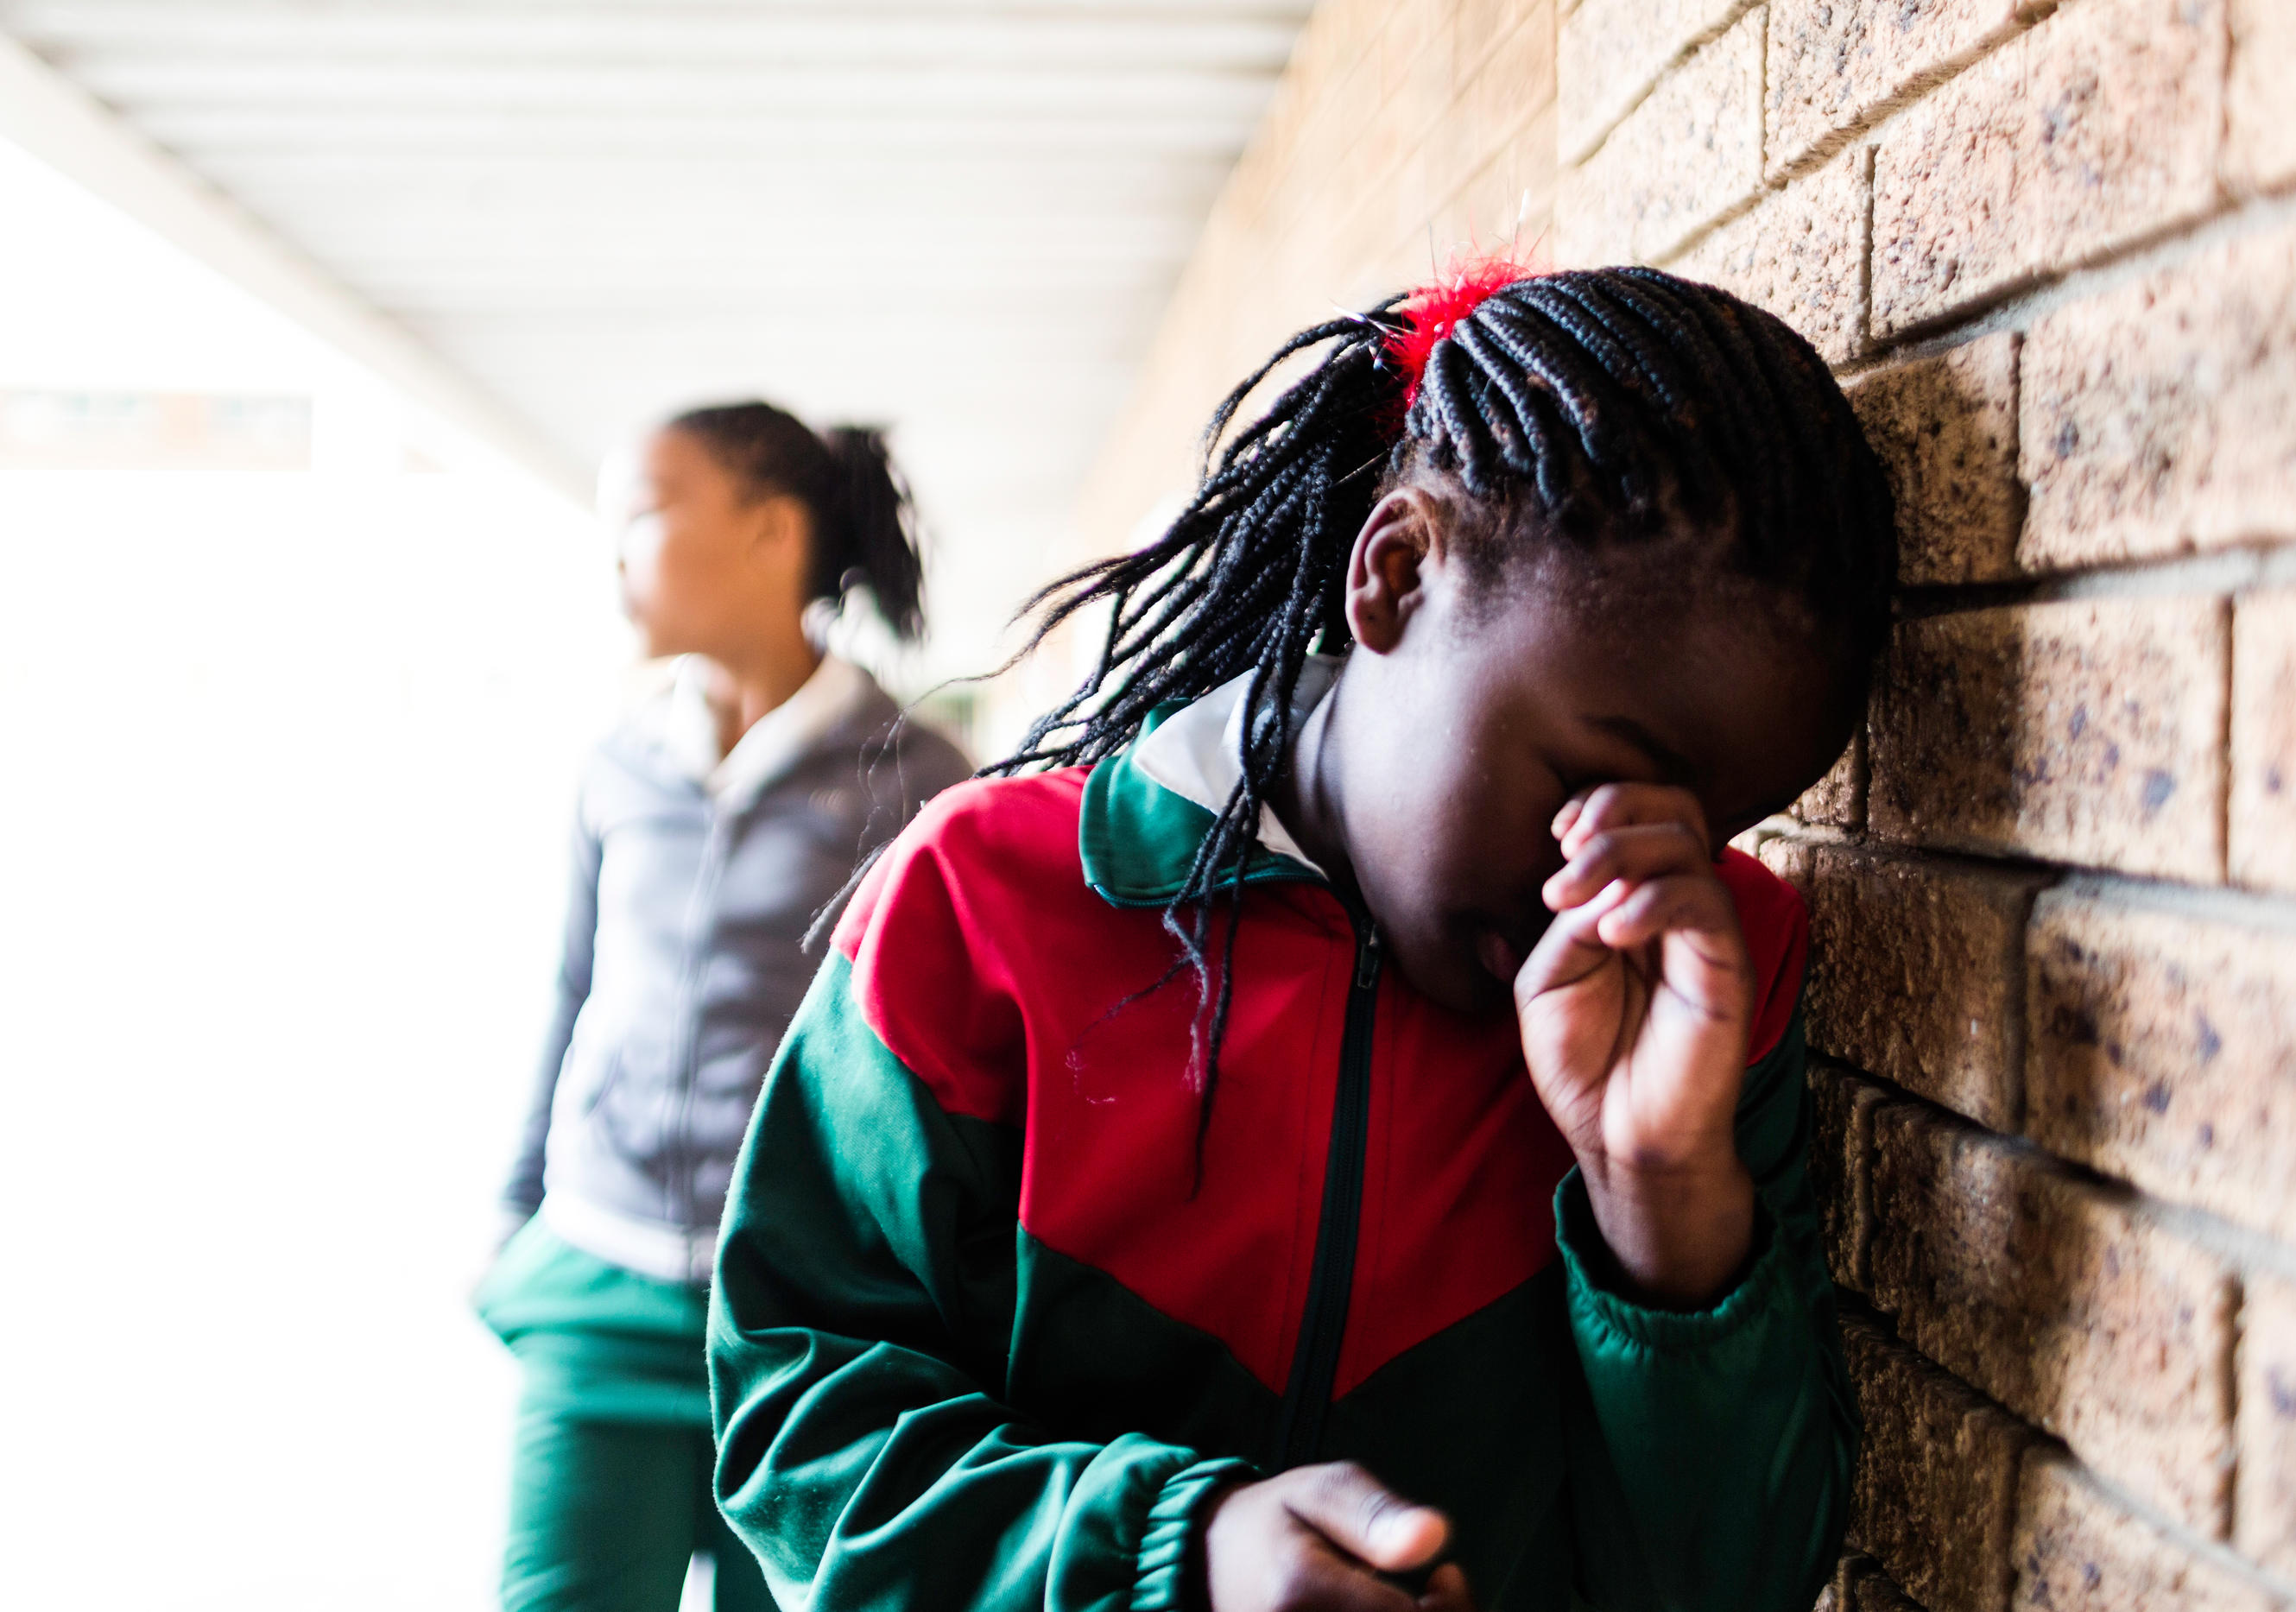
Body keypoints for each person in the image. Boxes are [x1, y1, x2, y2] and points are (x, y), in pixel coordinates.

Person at [708, 265, 1897, 1611]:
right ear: (1394, 575)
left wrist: (1663, 1196)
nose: (1621, 887)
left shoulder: (1711, 989)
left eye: (1716, 829)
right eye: (1591, 781)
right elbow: (796, 1428)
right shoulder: (989, 904)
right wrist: (1176, 1556)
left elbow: (1742, 1583)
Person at [478, 402, 971, 1612]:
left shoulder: (915, 776)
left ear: (769, 531)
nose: (615, 558)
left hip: (809, 1332)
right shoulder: (621, 762)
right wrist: (514, 1217)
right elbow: (574, 989)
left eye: (643, 515)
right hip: (601, 1291)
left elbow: (960, 1059)